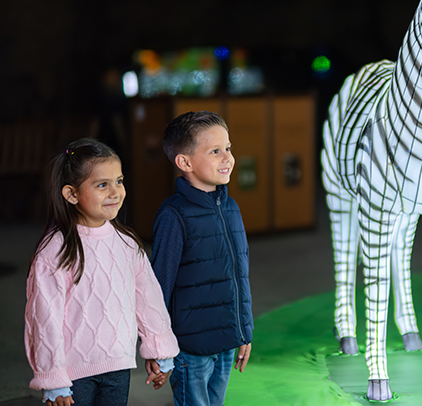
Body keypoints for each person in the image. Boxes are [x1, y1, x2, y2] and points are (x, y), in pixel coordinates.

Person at [24, 138, 180, 406]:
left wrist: (160, 350)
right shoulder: (54, 250)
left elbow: (148, 299)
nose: (115, 192)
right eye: (102, 185)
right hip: (72, 376)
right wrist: (52, 379)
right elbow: (44, 319)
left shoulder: (127, 242)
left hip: (118, 366)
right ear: (72, 194)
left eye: (119, 181)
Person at [150, 111, 253, 406]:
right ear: (185, 162)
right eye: (215, 151)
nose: (227, 158)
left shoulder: (231, 207)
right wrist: (159, 347)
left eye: (228, 148)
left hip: (227, 343)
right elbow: (159, 286)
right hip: (190, 349)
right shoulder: (174, 215)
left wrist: (244, 330)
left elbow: (239, 275)